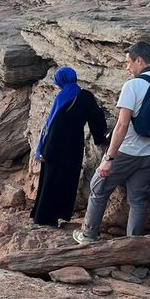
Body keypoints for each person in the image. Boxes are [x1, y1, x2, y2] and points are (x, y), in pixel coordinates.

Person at [73, 41, 150, 244]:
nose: (127, 66)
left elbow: (122, 125)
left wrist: (109, 158)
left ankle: (88, 235)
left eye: (128, 62)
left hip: (128, 150)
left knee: (98, 188)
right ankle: (133, 245)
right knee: (138, 201)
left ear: (139, 60)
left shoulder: (133, 85)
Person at [30, 67, 107, 227]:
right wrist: (100, 138)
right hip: (73, 146)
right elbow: (97, 118)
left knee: (50, 181)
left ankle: (45, 218)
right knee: (67, 180)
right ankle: (60, 214)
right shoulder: (85, 96)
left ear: (61, 80)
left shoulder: (62, 97)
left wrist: (46, 151)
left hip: (55, 147)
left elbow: (53, 128)